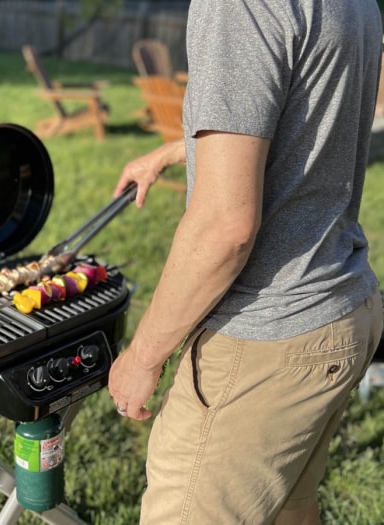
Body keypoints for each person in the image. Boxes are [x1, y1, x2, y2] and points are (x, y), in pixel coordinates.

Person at [108, 1, 384, 524]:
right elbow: (304, 116)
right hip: (344, 308)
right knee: (291, 509)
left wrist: (141, 359)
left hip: (266, 339)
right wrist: (173, 151)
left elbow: (224, 230)